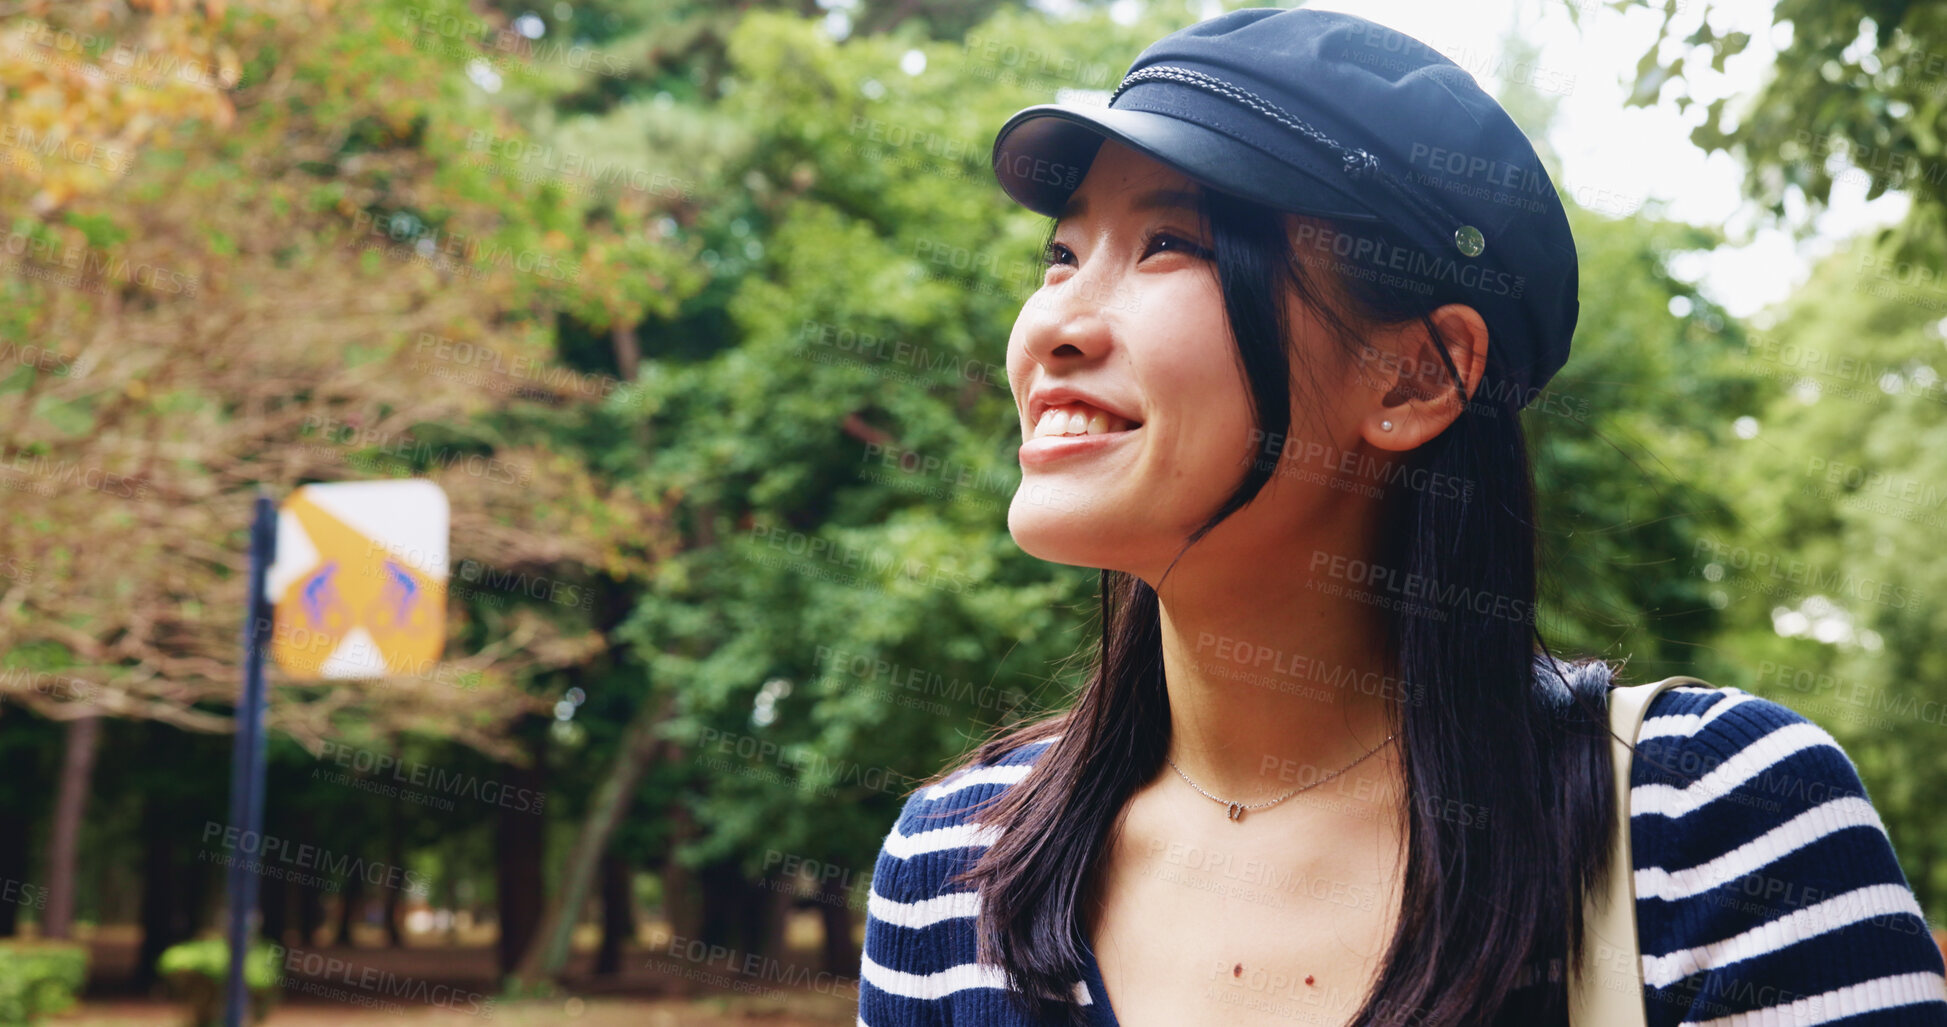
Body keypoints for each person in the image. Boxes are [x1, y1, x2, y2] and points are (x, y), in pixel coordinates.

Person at [857, 8, 1947, 1026]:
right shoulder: (952, 872)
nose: (1055, 325)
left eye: (1169, 245)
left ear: (1416, 378)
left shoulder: (1718, 824)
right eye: (1061, 254)